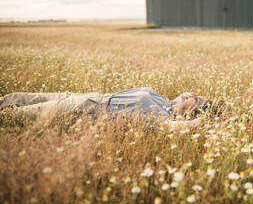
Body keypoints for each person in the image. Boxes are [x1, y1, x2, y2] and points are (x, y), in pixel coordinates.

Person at [0, 87, 212, 128]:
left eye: (197, 99)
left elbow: (177, 128)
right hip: (85, 97)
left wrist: (203, 121)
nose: (193, 93)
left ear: (192, 111)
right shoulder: (161, 99)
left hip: (85, 109)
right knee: (15, 97)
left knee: (17, 114)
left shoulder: (164, 117)